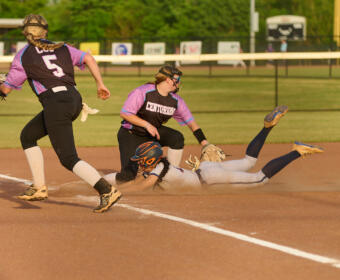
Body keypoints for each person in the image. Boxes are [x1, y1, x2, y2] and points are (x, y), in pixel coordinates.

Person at [0, 14, 121, 213]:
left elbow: (6, 90)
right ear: (45, 31)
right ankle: (39, 187)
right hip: (73, 100)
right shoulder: (62, 47)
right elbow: (88, 58)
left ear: (24, 32)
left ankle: (106, 190)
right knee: (28, 136)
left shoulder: (24, 55)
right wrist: (100, 83)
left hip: (56, 104)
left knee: (68, 158)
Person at [104, 106, 324, 192]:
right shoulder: (160, 165)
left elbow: (144, 185)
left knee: (259, 178)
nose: (140, 162)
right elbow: (144, 181)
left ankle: (297, 151)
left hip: (209, 178)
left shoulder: (157, 171)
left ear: (151, 159)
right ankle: (266, 128)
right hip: (206, 170)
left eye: (142, 159)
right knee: (248, 161)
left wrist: (119, 190)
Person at [115, 64, 211, 184]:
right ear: (168, 80)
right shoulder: (143, 91)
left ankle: (168, 175)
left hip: (152, 133)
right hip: (131, 134)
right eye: (177, 80)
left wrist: (205, 144)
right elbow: (125, 113)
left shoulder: (176, 101)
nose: (179, 83)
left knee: (176, 138)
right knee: (128, 176)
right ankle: (104, 183)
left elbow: (192, 124)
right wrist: (147, 125)